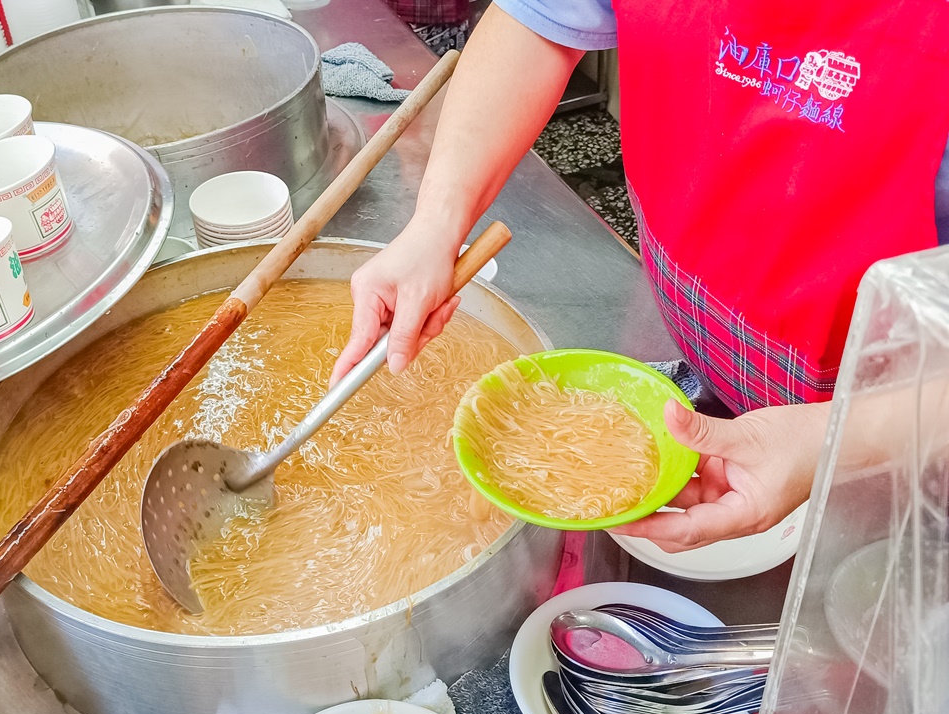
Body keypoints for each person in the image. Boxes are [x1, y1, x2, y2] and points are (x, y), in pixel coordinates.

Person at [330, 1, 949, 550]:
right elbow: (537, 24)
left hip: (909, 443)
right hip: (722, 370)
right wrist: (437, 222)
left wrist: (833, 438)